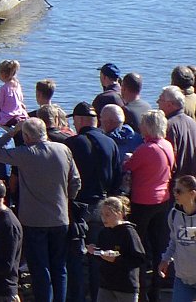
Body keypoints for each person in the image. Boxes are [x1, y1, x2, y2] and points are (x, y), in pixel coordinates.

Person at [0, 118, 80, 302]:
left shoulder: (25, 153)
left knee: (40, 268)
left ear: (27, 136)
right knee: (59, 267)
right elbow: (76, 181)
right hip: (60, 217)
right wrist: (67, 198)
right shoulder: (63, 149)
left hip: (33, 220)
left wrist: (11, 132)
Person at [64, 101, 123, 302]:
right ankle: (98, 295)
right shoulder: (110, 143)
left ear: (80, 120)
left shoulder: (72, 144)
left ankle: (77, 297)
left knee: (76, 256)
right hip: (102, 204)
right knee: (98, 255)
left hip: (78, 206)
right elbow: (117, 177)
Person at [122, 110, 176, 302]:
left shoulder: (146, 149)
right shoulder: (167, 145)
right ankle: (156, 290)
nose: (140, 127)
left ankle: (141, 290)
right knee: (159, 246)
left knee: (139, 247)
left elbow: (128, 167)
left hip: (143, 202)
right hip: (163, 200)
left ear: (149, 127)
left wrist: (127, 159)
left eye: (143, 124)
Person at [85, 196, 146, 302]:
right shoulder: (104, 232)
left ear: (119, 214)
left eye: (107, 215)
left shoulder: (129, 232)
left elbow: (139, 259)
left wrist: (117, 259)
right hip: (106, 285)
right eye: (102, 215)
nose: (104, 218)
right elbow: (101, 255)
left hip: (125, 287)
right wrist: (94, 251)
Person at [0, 59, 28, 127]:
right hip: (19, 113)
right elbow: (21, 99)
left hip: (7, 116)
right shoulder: (17, 85)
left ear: (3, 74)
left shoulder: (3, 89)